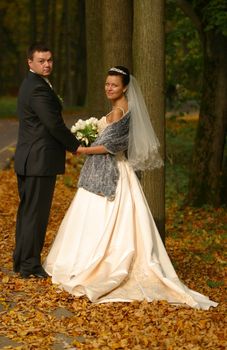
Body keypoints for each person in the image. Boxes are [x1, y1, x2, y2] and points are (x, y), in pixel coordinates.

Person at [44, 66, 217, 309]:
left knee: (104, 219)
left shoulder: (118, 111)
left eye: (113, 85)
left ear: (124, 87)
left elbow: (111, 147)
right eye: (106, 84)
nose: (108, 88)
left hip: (113, 170)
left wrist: (82, 148)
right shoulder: (124, 108)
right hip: (118, 169)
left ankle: (96, 264)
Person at [14, 43, 80, 279]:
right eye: (41, 61)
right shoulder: (38, 88)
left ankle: (22, 261)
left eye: (49, 60)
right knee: (35, 215)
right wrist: (76, 146)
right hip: (39, 160)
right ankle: (30, 266)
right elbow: (53, 123)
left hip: (29, 159)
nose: (47, 64)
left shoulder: (33, 83)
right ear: (30, 62)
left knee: (28, 213)